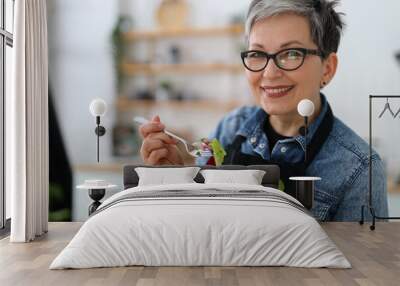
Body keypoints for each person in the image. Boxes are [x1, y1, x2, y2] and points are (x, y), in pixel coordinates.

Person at [138, 0, 388, 221]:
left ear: (327, 68)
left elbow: (361, 265)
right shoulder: (230, 128)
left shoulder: (360, 169)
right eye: (257, 53)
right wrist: (174, 178)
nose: (269, 73)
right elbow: (200, 220)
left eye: (291, 54)